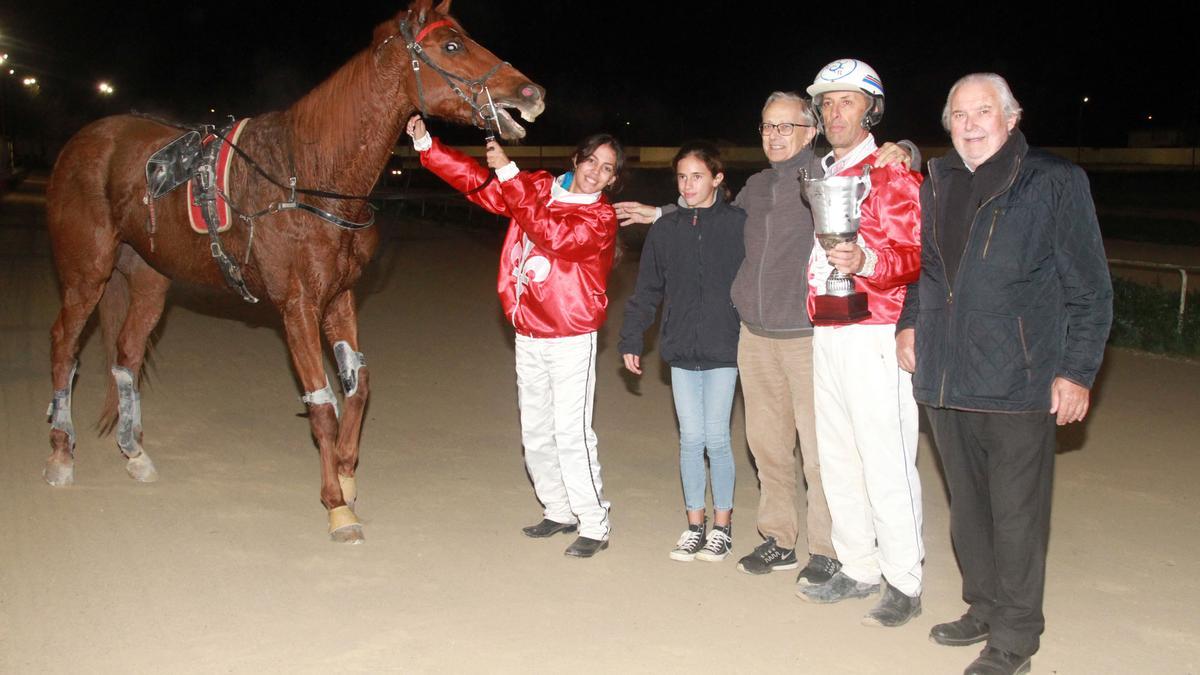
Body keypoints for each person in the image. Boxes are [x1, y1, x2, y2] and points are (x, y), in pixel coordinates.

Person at [615, 93, 917, 583]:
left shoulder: (830, 172)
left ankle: (826, 548)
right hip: (753, 337)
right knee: (768, 446)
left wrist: (906, 149)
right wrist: (664, 211)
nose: (774, 136)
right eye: (766, 127)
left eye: (785, 126)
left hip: (807, 336)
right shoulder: (756, 185)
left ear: (810, 129)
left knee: (820, 453)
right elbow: (712, 209)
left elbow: (881, 171)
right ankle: (778, 538)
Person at [896, 73, 1112, 675]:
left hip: (1020, 378)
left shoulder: (1053, 181)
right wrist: (910, 323)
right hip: (946, 375)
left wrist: (1076, 370)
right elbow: (926, 270)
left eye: (982, 111)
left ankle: (1016, 635)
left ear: (1011, 118)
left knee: (1015, 513)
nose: (969, 124)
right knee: (967, 507)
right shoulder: (938, 181)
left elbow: (1090, 289)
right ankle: (984, 607)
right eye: (958, 114)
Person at [405, 115, 621, 558]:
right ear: (577, 159)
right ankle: (558, 509)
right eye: (592, 161)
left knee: (571, 432)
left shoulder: (600, 217)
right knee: (536, 430)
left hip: (570, 337)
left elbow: (552, 234)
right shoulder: (539, 186)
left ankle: (594, 522)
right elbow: (482, 187)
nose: (596, 172)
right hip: (528, 332)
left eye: (607, 169)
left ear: (614, 179)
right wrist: (429, 147)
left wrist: (509, 174)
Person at [793, 59, 924, 630]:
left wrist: (869, 260)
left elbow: (917, 257)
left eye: (847, 101)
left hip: (875, 332)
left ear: (871, 109)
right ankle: (859, 564)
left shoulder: (892, 172)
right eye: (827, 103)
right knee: (836, 457)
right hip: (827, 328)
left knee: (887, 460)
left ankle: (904, 579)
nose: (834, 112)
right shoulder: (824, 169)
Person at [618, 141, 746, 562]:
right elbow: (648, 289)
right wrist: (632, 337)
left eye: (697, 176)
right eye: (681, 177)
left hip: (724, 348)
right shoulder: (666, 229)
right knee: (691, 439)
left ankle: (723, 526)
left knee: (717, 438)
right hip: (680, 349)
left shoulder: (739, 224)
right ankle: (695, 524)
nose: (688, 185)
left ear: (717, 178)